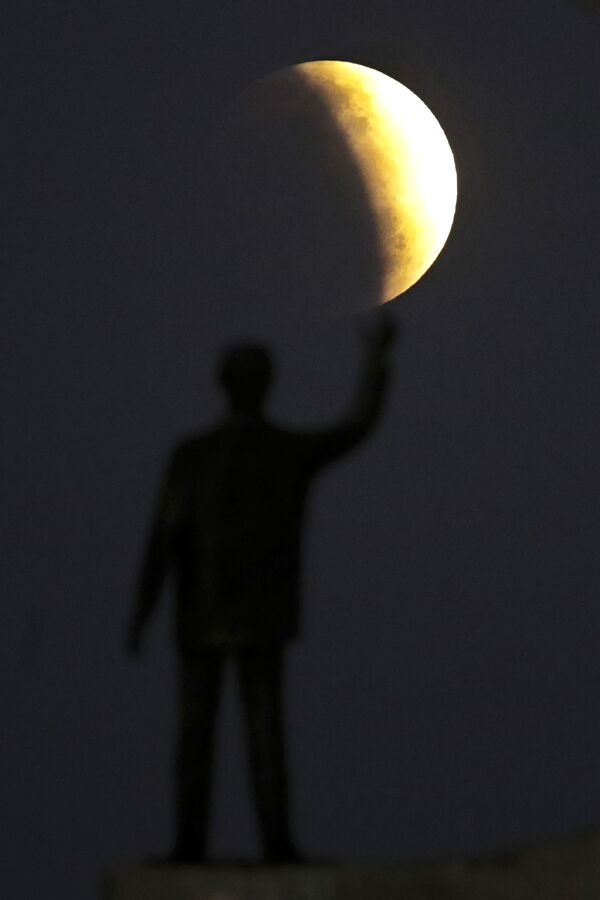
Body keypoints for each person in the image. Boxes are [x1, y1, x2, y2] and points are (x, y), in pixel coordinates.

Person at [126, 311, 397, 863]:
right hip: (253, 614)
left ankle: (194, 846)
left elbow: (162, 540)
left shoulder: (196, 456)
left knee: (203, 736)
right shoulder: (280, 453)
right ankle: (269, 843)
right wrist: (377, 361)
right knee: (259, 733)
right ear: (264, 385)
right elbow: (356, 425)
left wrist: (143, 612)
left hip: (205, 615)